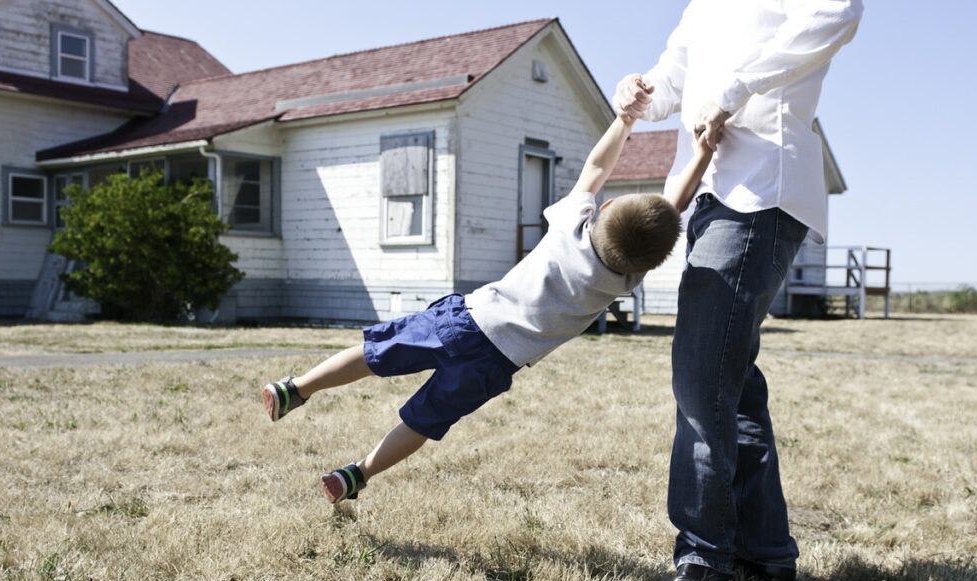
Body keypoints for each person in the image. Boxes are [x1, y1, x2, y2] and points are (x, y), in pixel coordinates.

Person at [262, 107, 714, 504]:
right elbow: (674, 211)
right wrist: (705, 155)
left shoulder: (570, 228)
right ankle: (357, 474)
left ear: (605, 206)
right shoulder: (622, 279)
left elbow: (598, 165)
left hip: (467, 322)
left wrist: (627, 119)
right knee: (423, 421)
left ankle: (297, 389)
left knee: (375, 355)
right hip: (495, 366)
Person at [612, 0, 863, 581]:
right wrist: (641, 91)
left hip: (761, 191)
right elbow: (673, 78)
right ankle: (766, 556)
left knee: (701, 377)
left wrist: (734, 88)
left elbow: (839, 15)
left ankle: (703, 560)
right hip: (707, 193)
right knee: (733, 382)